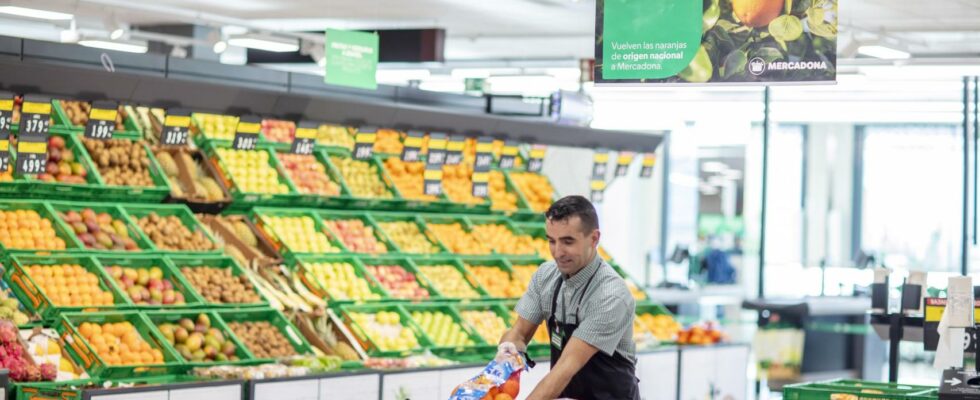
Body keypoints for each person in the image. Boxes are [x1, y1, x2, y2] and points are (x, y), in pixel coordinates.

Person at [498, 195, 640, 400]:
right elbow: (519, 332)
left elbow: (565, 368)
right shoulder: (546, 276)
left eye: (568, 241)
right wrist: (504, 359)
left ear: (594, 238)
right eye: (551, 241)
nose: (558, 252)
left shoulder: (611, 295)